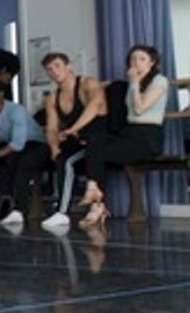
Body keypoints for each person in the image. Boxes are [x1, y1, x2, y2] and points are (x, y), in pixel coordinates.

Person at [78, 44, 169, 229]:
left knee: (97, 154)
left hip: (148, 137)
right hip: (129, 134)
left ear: (152, 63)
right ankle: (95, 194)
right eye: (133, 59)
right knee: (95, 139)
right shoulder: (128, 86)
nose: (136, 63)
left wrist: (134, 82)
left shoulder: (160, 81)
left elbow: (139, 108)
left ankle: (96, 202)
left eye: (142, 59)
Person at [38, 53, 105, 233]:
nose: (54, 71)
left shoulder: (87, 84)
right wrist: (53, 147)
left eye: (57, 66)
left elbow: (95, 105)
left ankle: (64, 211)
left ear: (68, 67)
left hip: (100, 138)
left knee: (71, 158)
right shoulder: (53, 98)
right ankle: (66, 211)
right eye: (49, 69)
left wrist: (74, 127)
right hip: (79, 139)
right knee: (61, 157)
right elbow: (51, 128)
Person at [0, 81, 49, 230]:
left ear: (1, 94)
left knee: (19, 160)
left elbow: (17, 144)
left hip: (35, 144)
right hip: (10, 144)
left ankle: (19, 209)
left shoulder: (16, 110)